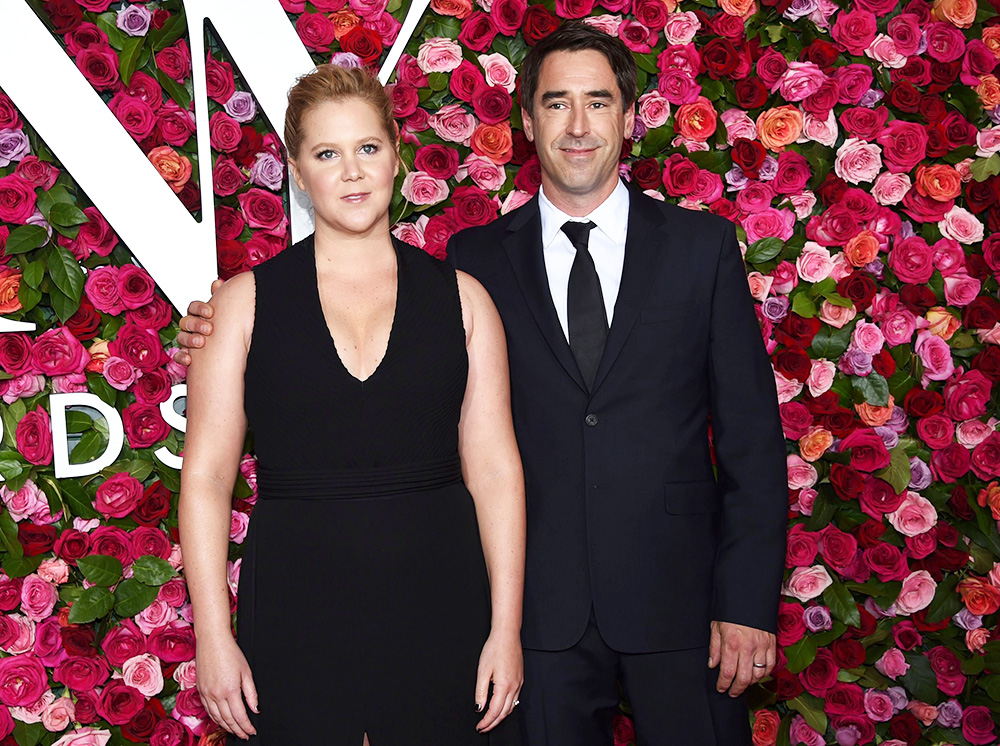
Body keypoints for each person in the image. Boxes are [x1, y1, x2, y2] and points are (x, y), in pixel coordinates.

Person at [179, 23, 788, 746]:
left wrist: (745, 600)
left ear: (629, 116)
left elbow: (750, 439)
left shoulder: (697, 249)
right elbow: (220, 466)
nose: (579, 123)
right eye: (557, 103)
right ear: (528, 123)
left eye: (598, 101)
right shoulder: (476, 261)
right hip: (523, 619)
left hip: (672, 605)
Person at [178, 64, 525, 746]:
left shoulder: (465, 301)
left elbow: (495, 472)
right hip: (296, 604)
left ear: (396, 151)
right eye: (326, 154)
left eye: (367, 147)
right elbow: (206, 479)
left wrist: (506, 630)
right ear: (298, 171)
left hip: (442, 599)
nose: (352, 172)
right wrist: (212, 636)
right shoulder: (242, 304)